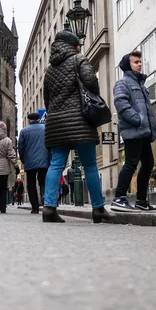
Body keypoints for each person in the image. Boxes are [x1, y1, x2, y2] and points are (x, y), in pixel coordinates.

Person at [42, 31, 114, 224]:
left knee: (56, 164)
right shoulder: (79, 59)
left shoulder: (49, 71)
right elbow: (90, 81)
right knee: (90, 164)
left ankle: (49, 208)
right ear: (74, 46)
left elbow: (47, 100)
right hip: (79, 120)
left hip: (56, 122)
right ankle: (98, 208)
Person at [111, 51, 156, 212]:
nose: (139, 64)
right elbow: (121, 103)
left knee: (148, 164)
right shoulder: (122, 83)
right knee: (131, 163)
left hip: (144, 132)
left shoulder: (141, 86)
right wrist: (137, 119)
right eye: (136, 62)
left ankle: (141, 201)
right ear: (127, 65)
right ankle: (119, 198)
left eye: (140, 62)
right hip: (133, 131)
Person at [18, 111, 50, 214]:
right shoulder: (45, 129)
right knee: (43, 182)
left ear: (29, 120)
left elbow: (21, 147)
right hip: (44, 160)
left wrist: (23, 159)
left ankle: (35, 208)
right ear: (38, 119)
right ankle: (46, 201)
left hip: (30, 162)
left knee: (31, 185)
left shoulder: (23, 131)